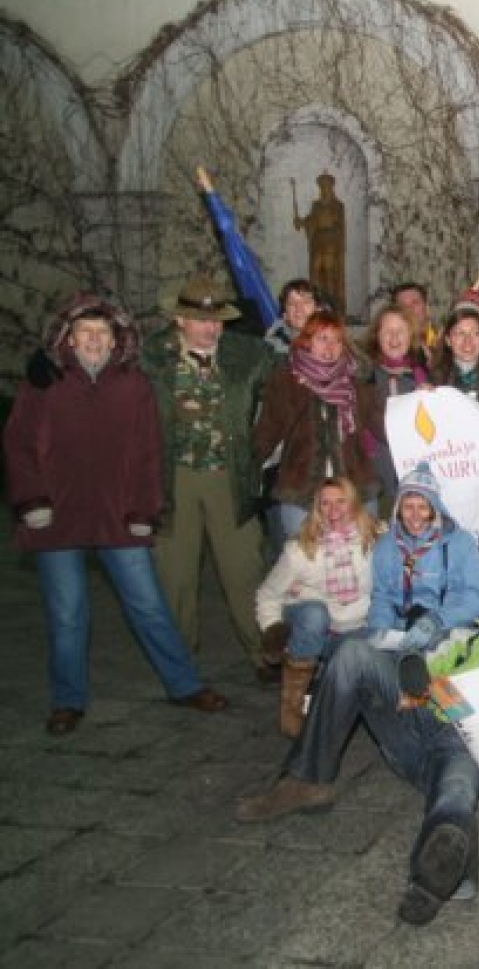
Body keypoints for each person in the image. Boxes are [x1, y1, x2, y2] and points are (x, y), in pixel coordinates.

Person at [234, 569, 479, 924]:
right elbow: (424, 665)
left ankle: (440, 871)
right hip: (416, 721)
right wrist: (413, 676)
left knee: (457, 791)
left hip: (465, 745)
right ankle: (307, 780)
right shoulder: (472, 636)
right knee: (353, 654)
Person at [5, 293, 228, 735]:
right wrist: (32, 500)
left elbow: (148, 454)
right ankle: (68, 699)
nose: (93, 339)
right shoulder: (44, 381)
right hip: (56, 517)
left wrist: (144, 508)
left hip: (118, 516)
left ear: (115, 340)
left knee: (149, 605)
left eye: (102, 332)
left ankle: (184, 684)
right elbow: (18, 445)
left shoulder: (133, 386)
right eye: (84, 332)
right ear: (69, 338)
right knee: (67, 614)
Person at [140, 275, 275, 672]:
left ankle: (263, 652)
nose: (211, 328)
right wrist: (53, 361)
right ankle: (179, 660)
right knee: (175, 574)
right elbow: (102, 368)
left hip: (230, 477)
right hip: (174, 478)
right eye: (201, 320)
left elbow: (299, 371)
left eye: (217, 319)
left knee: (244, 569)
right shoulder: (152, 356)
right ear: (180, 320)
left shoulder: (248, 353)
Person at [255, 477, 381, 737]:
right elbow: (267, 595)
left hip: (358, 627)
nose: (333, 510)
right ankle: (293, 703)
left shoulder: (376, 538)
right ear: (317, 508)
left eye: (340, 502)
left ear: (354, 504)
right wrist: (273, 630)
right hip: (317, 626)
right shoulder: (299, 551)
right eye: (325, 503)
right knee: (315, 614)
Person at [253, 311, 382, 541]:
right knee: (305, 558)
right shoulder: (286, 382)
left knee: (363, 554)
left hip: (354, 487)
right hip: (302, 491)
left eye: (337, 340)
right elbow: (266, 433)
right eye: (323, 338)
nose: (330, 346)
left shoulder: (357, 385)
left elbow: (384, 425)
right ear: (307, 342)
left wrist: (421, 403)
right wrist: (244, 469)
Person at [367, 463, 479, 651]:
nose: (415, 516)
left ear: (435, 509)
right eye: (408, 507)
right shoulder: (385, 545)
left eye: (423, 507)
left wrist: (438, 620)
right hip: (398, 634)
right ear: (398, 509)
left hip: (446, 631)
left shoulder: (460, 543)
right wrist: (380, 631)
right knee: (352, 652)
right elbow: (381, 597)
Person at [363, 303, 430, 504]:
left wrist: (430, 400)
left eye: (400, 331)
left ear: (411, 336)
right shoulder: (364, 376)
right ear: (377, 336)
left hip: (417, 479)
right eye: (387, 332)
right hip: (374, 476)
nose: (394, 337)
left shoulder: (426, 375)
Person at [293, 173, 346, 315]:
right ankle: (316, 303)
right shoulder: (316, 205)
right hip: (317, 242)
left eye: (327, 186)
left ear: (331, 187)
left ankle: (331, 305)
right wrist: (301, 222)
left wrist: (330, 227)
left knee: (329, 273)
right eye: (322, 186)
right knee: (315, 273)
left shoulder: (338, 206)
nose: (324, 189)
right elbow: (311, 221)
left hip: (331, 243)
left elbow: (340, 227)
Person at [264, 278, 326, 356]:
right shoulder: (274, 342)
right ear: (285, 315)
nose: (299, 308)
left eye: (306, 302)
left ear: (319, 309)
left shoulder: (333, 335)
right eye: (292, 303)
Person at [393, 282, 439, 366]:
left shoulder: (445, 341)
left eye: (415, 303)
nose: (409, 309)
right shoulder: (391, 346)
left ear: (427, 308)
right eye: (402, 305)